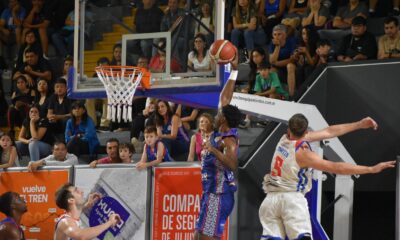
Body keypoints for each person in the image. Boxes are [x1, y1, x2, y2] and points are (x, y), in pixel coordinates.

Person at [258, 113, 396, 239]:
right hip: (292, 200)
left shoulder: (284, 139)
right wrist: (370, 169)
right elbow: (337, 167)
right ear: (306, 132)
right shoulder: (304, 154)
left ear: (289, 129)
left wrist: (359, 124)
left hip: (270, 201)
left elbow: (329, 131)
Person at [194, 46, 242, 240]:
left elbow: (233, 165)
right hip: (211, 193)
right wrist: (235, 70)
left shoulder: (228, 140)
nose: (217, 113)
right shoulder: (219, 132)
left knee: (204, 238)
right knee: (199, 237)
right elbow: (225, 97)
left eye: (219, 114)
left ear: (223, 120)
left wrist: (213, 150)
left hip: (219, 196)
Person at [54, 183, 121, 240]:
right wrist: (110, 222)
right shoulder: (65, 222)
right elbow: (82, 236)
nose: (82, 191)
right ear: (71, 200)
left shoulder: (72, 217)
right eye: (77, 191)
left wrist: (87, 204)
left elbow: (77, 210)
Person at [269, 24, 297, 98]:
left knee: (290, 66)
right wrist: (277, 46)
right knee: (272, 70)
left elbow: (292, 59)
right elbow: (272, 60)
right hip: (279, 68)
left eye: (279, 34)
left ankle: (291, 96)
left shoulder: (291, 41)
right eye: (274, 35)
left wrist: (276, 63)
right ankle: (275, 94)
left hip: (290, 66)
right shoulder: (272, 44)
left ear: (285, 35)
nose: (276, 37)